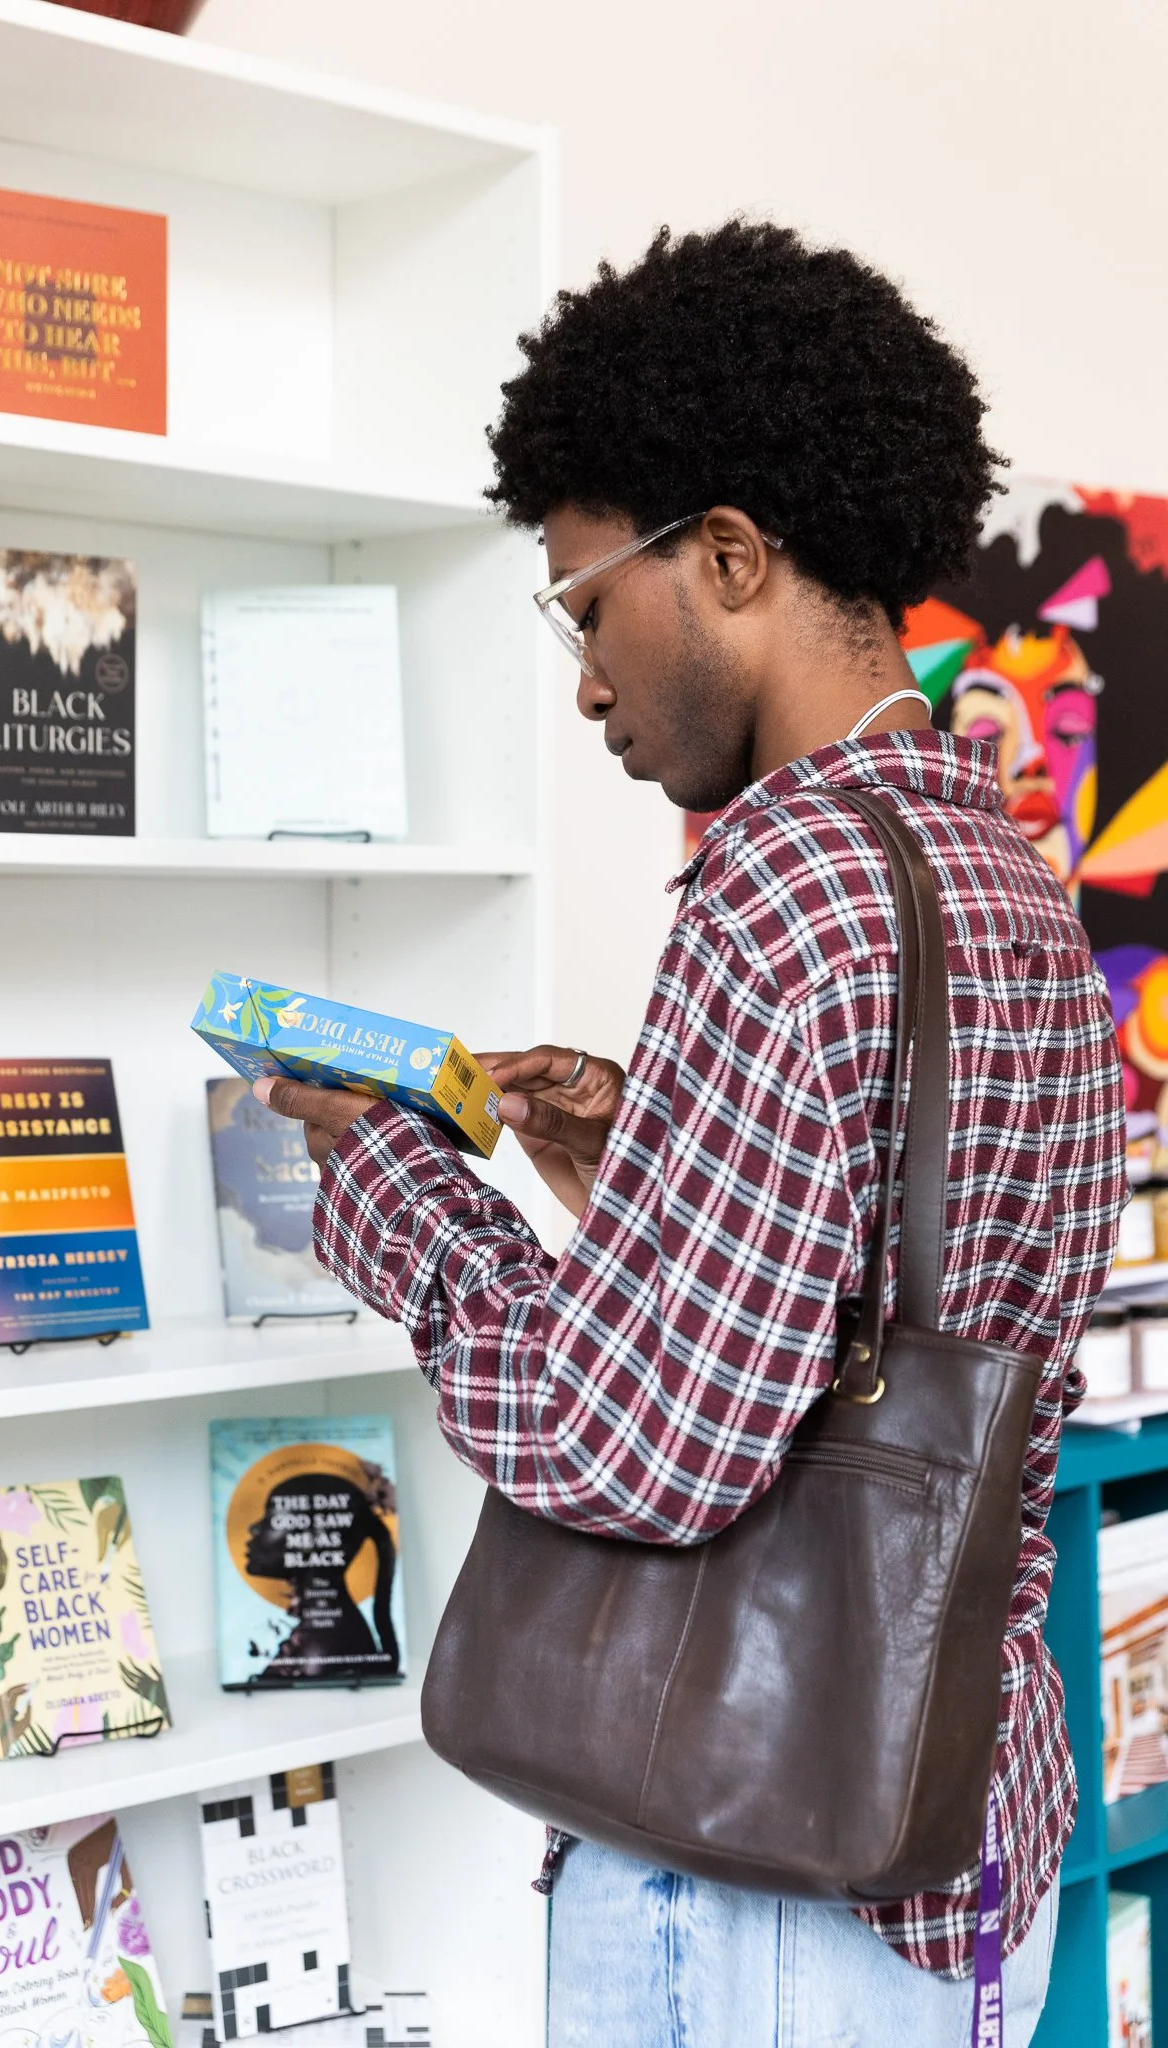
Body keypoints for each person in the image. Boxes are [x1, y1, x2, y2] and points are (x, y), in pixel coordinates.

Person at [251, 220, 1126, 2047]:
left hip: (754, 1884)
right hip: (954, 1826)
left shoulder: (782, 880)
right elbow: (910, 1280)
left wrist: (382, 1177)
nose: (584, 680)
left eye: (586, 604)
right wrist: (635, 1147)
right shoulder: (998, 865)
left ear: (726, 555)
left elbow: (632, 1444)